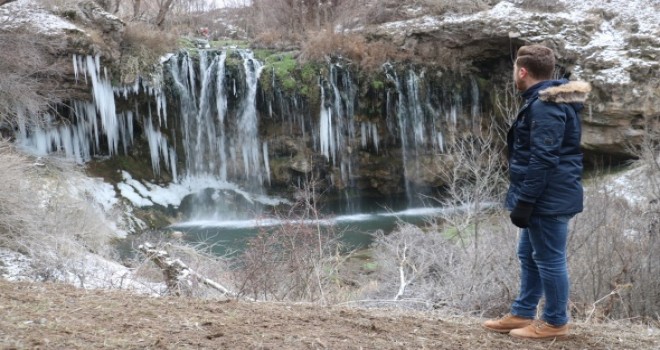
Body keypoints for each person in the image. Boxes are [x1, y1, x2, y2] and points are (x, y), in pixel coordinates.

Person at [482, 44, 591, 339]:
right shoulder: (542, 101)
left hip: (548, 198)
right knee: (529, 255)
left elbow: (543, 158)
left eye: (514, 71)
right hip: (546, 194)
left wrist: (526, 201)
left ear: (523, 71)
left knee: (548, 258)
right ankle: (522, 312)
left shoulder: (545, 107)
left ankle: (555, 322)